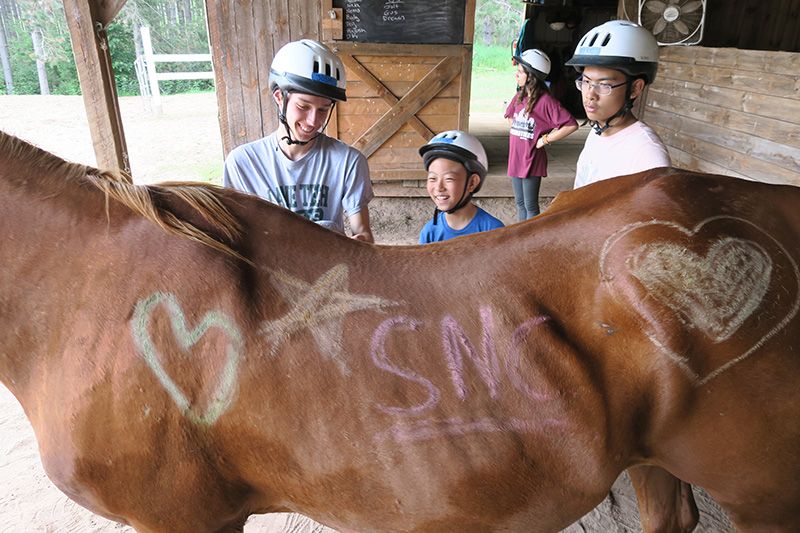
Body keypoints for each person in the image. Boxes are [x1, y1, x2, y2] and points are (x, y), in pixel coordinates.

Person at [223, 39, 374, 242]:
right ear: (279, 97)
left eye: (323, 110)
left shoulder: (348, 162)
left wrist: (358, 244)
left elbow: (364, 234)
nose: (313, 121)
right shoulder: (243, 164)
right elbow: (236, 239)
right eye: (303, 106)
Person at [566, 20, 671, 189]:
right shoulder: (597, 132)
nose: (590, 95)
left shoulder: (648, 155)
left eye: (604, 85)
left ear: (635, 88)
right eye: (586, 82)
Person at [505, 48, 578, 221]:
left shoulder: (546, 101)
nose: (517, 74)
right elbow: (509, 115)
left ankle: (530, 239)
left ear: (531, 76)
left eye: (520, 71)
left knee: (530, 206)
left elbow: (571, 125)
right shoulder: (520, 96)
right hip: (516, 156)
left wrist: (544, 139)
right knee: (519, 204)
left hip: (531, 159)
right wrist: (518, 129)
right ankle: (520, 238)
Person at [418, 130, 504, 244]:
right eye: (432, 178)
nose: (439, 187)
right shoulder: (430, 233)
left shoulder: (493, 231)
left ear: (472, 183)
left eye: (449, 179)